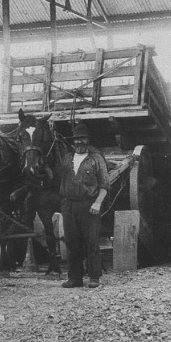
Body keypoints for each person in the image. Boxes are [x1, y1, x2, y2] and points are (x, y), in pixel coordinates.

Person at [58, 123, 109, 288]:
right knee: (72, 242)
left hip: (89, 205)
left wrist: (98, 202)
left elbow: (104, 185)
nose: (79, 143)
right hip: (69, 206)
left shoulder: (96, 159)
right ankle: (75, 278)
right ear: (72, 143)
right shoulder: (66, 159)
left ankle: (94, 277)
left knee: (91, 242)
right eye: (76, 140)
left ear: (88, 140)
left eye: (82, 139)